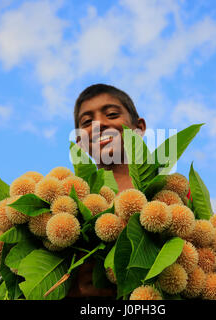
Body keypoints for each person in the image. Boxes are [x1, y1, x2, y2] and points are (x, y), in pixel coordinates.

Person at [68, 83, 147, 298]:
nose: (99, 124)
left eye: (111, 114)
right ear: (79, 143)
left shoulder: (172, 193)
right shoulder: (69, 203)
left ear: (139, 128)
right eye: (86, 122)